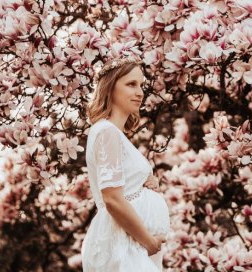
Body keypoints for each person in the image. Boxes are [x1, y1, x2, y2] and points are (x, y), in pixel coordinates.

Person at [81, 55, 171, 271]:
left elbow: (124, 186)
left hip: (131, 243)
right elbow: (112, 199)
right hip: (124, 243)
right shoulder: (106, 131)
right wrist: (148, 241)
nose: (139, 92)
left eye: (141, 85)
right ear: (110, 88)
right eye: (131, 84)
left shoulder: (114, 135)